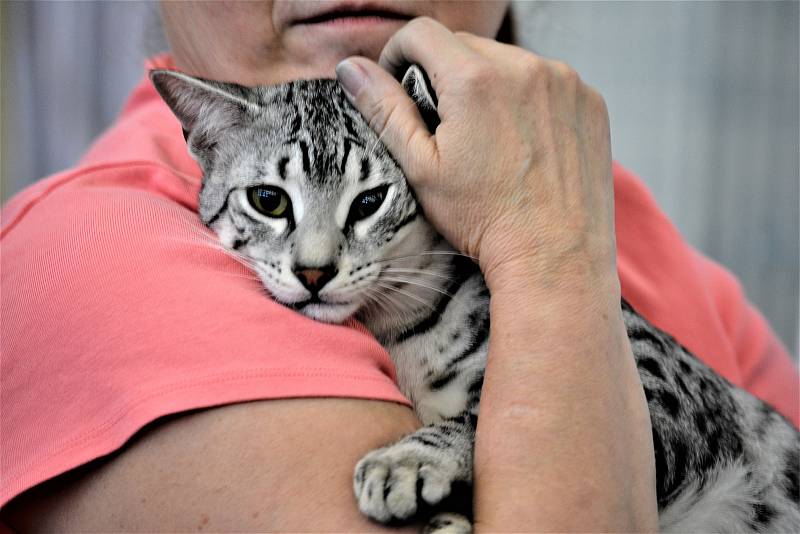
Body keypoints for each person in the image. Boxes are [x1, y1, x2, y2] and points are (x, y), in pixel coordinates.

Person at [1, 1, 796, 531]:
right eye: (274, 207)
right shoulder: (97, 258)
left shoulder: (630, 221)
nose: (313, 264)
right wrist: (551, 259)